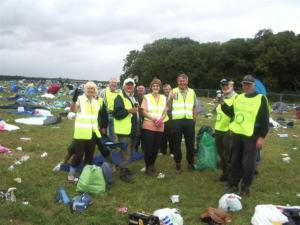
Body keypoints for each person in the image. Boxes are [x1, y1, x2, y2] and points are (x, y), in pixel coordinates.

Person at [220, 75, 269, 196]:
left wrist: (262, 137)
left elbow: (265, 119)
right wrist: (222, 103)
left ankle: (245, 186)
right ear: (242, 85)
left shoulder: (261, 98)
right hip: (237, 134)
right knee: (234, 159)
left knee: (248, 162)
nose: (246, 86)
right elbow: (231, 112)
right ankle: (233, 183)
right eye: (244, 84)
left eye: (249, 84)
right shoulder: (239, 97)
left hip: (252, 134)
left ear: (253, 85)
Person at [68, 81, 102, 182]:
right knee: (78, 155)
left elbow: (95, 117)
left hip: (93, 133)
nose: (90, 90)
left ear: (95, 91)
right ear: (85, 90)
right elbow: (72, 111)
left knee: (90, 155)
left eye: (92, 89)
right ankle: (71, 173)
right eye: (88, 88)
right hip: (81, 132)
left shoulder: (96, 102)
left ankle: (85, 174)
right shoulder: (80, 99)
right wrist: (74, 100)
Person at [168, 73, 197, 173]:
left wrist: (194, 120)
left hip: (189, 121)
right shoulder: (173, 91)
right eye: (180, 81)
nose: (182, 82)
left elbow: (194, 107)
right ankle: (178, 163)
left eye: (184, 81)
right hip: (177, 121)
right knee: (177, 143)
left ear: (187, 81)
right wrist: (170, 98)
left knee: (190, 143)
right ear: (178, 81)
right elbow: (167, 106)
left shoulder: (192, 92)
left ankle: (190, 163)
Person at [113, 78, 140, 183]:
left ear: (134, 86)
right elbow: (116, 114)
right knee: (125, 151)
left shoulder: (133, 97)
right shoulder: (119, 97)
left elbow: (136, 112)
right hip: (124, 130)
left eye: (131, 85)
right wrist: (128, 111)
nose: (130, 86)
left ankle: (126, 167)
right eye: (128, 85)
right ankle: (123, 173)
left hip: (133, 129)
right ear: (124, 86)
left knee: (130, 150)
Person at [141, 78, 168, 176]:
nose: (155, 87)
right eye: (154, 86)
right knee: (148, 148)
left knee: (156, 148)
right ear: (151, 87)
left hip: (160, 126)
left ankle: (152, 164)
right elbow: (143, 111)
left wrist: (161, 119)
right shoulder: (146, 97)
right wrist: (154, 119)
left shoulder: (164, 98)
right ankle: (148, 166)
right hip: (148, 126)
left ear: (160, 87)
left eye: (157, 86)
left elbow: (165, 111)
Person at [214, 78, 237, 182]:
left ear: (232, 86)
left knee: (227, 154)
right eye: (223, 86)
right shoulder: (221, 98)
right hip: (218, 128)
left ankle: (231, 175)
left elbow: (234, 114)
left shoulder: (236, 98)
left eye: (228, 85)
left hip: (229, 130)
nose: (225, 87)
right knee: (221, 153)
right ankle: (225, 173)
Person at [100, 78, 119, 142]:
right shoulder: (103, 92)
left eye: (115, 83)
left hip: (114, 114)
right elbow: (99, 102)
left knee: (113, 132)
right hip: (105, 114)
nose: (113, 84)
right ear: (109, 83)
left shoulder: (118, 92)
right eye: (112, 82)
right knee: (103, 130)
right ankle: (104, 145)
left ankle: (112, 145)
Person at [159, 83, 175, 157]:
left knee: (171, 134)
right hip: (162, 116)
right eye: (164, 89)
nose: (166, 90)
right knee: (162, 134)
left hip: (171, 116)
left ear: (170, 89)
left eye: (167, 89)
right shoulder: (161, 97)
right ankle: (163, 150)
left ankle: (172, 151)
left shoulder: (174, 96)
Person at [135, 84, 146, 152]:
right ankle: (135, 149)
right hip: (138, 119)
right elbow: (136, 108)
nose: (141, 89)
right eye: (139, 88)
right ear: (137, 90)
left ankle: (144, 149)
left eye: (142, 88)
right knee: (137, 135)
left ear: (144, 90)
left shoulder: (147, 98)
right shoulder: (135, 98)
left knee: (145, 135)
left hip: (146, 118)